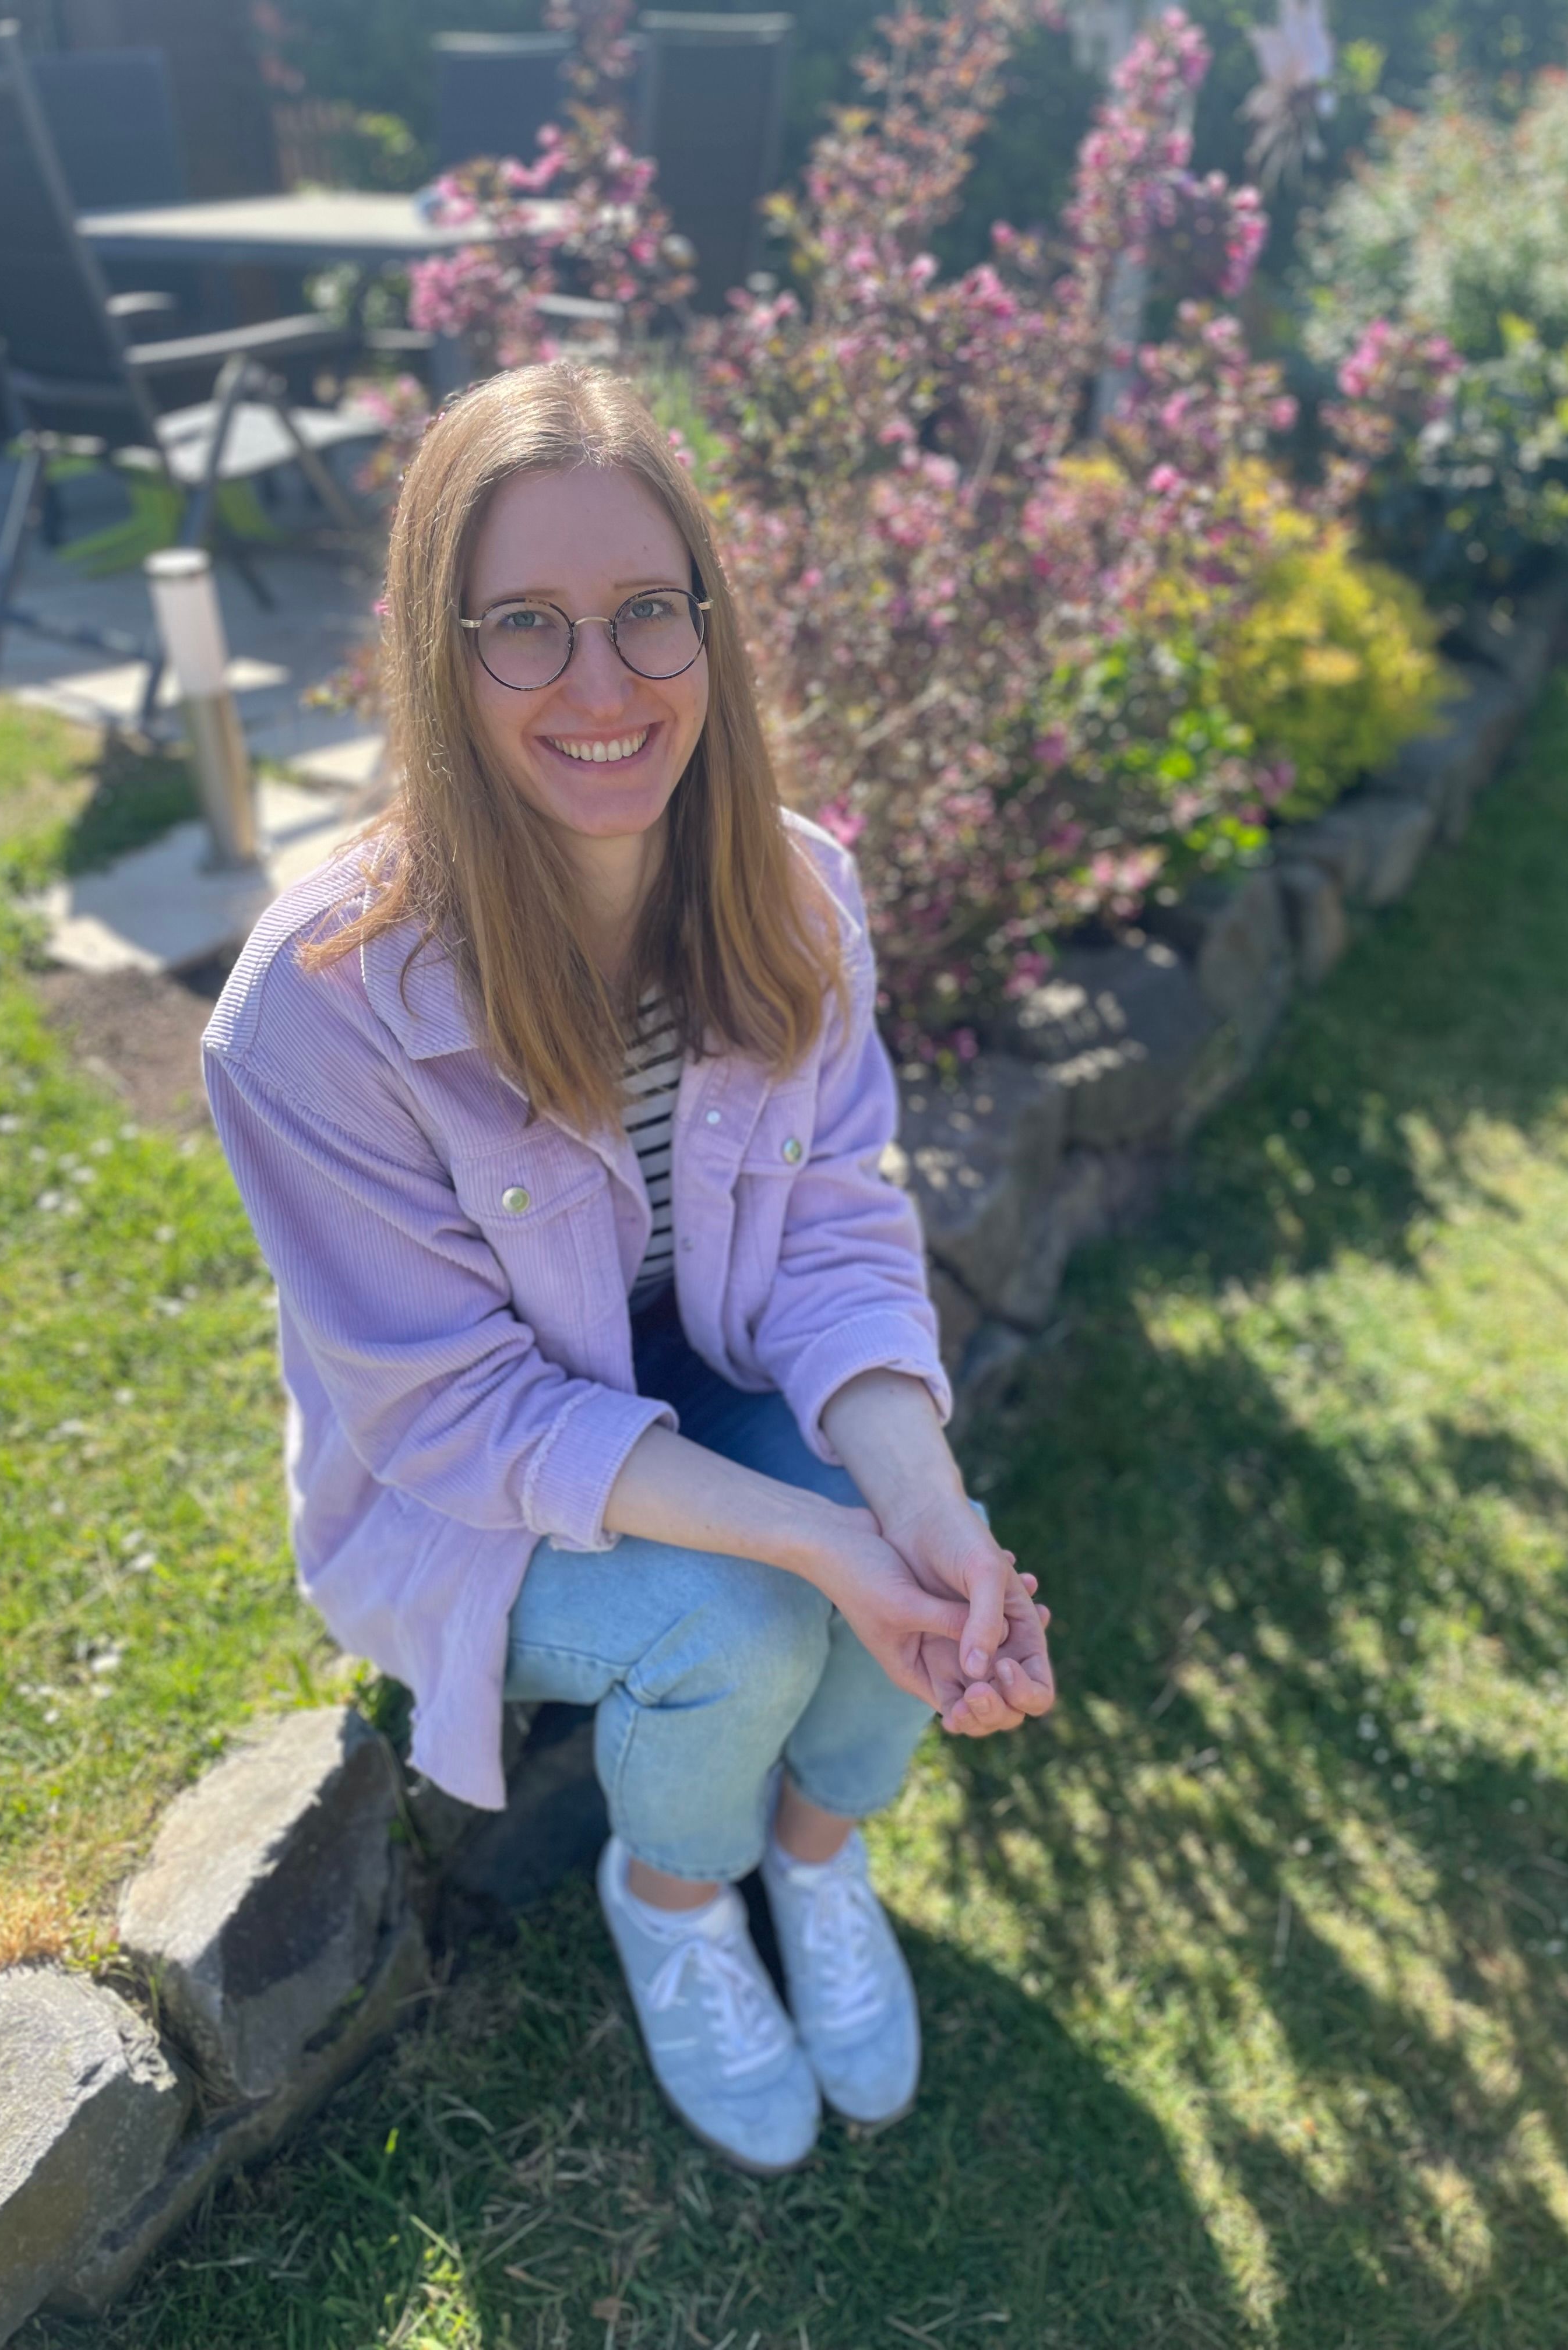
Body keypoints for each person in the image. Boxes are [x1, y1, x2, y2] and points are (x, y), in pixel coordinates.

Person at [202, 361, 1056, 2176]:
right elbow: (458, 1411)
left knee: (913, 1540)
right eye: (526, 624)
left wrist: (917, 1505)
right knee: (737, 1625)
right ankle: (672, 1898)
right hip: (463, 1488)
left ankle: (817, 1855)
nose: (604, 686)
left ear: (709, 626)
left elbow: (832, 1225)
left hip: (707, 1371)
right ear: (438, 656)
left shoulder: (797, 896)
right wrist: (813, 1542)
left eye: (646, 610)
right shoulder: (314, 1011)